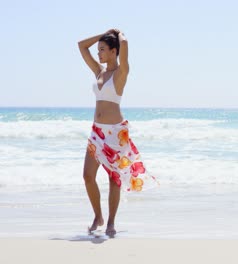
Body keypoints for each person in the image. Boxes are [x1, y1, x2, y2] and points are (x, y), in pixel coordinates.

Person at [78, 29, 157, 237]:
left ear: (114, 51)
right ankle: (98, 216)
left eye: (103, 50)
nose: (99, 54)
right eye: (99, 50)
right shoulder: (99, 72)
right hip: (97, 131)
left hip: (115, 133)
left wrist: (119, 33)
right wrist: (103, 34)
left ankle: (111, 222)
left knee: (114, 179)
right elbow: (81, 46)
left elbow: (126, 44)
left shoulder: (121, 73)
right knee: (87, 176)